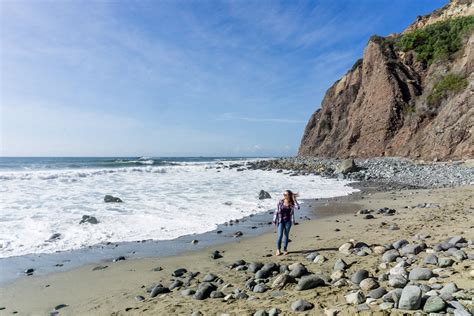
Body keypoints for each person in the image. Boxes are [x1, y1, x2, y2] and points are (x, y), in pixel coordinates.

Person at [272, 190, 300, 256]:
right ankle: (278, 249)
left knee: (286, 235)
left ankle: (285, 249)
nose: (284, 196)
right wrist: (274, 220)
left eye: (286, 195)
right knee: (280, 236)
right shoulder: (280, 202)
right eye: (284, 194)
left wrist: (294, 199)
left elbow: (298, 207)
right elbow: (276, 211)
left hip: (288, 221)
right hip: (280, 221)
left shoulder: (292, 203)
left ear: (289, 196)